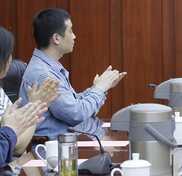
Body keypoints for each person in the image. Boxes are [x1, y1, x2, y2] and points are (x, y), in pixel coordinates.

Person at [20, 9, 126, 140]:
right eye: (70, 31)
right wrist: (99, 89)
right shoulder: (44, 75)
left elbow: (72, 103)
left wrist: (100, 87)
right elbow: (76, 114)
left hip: (66, 141)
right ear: (56, 38)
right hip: (53, 146)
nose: (74, 36)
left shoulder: (49, 67)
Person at [0, 26, 60, 156]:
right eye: (9, 54)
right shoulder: (42, 72)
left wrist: (35, 106)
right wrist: (36, 108)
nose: (10, 59)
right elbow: (16, 146)